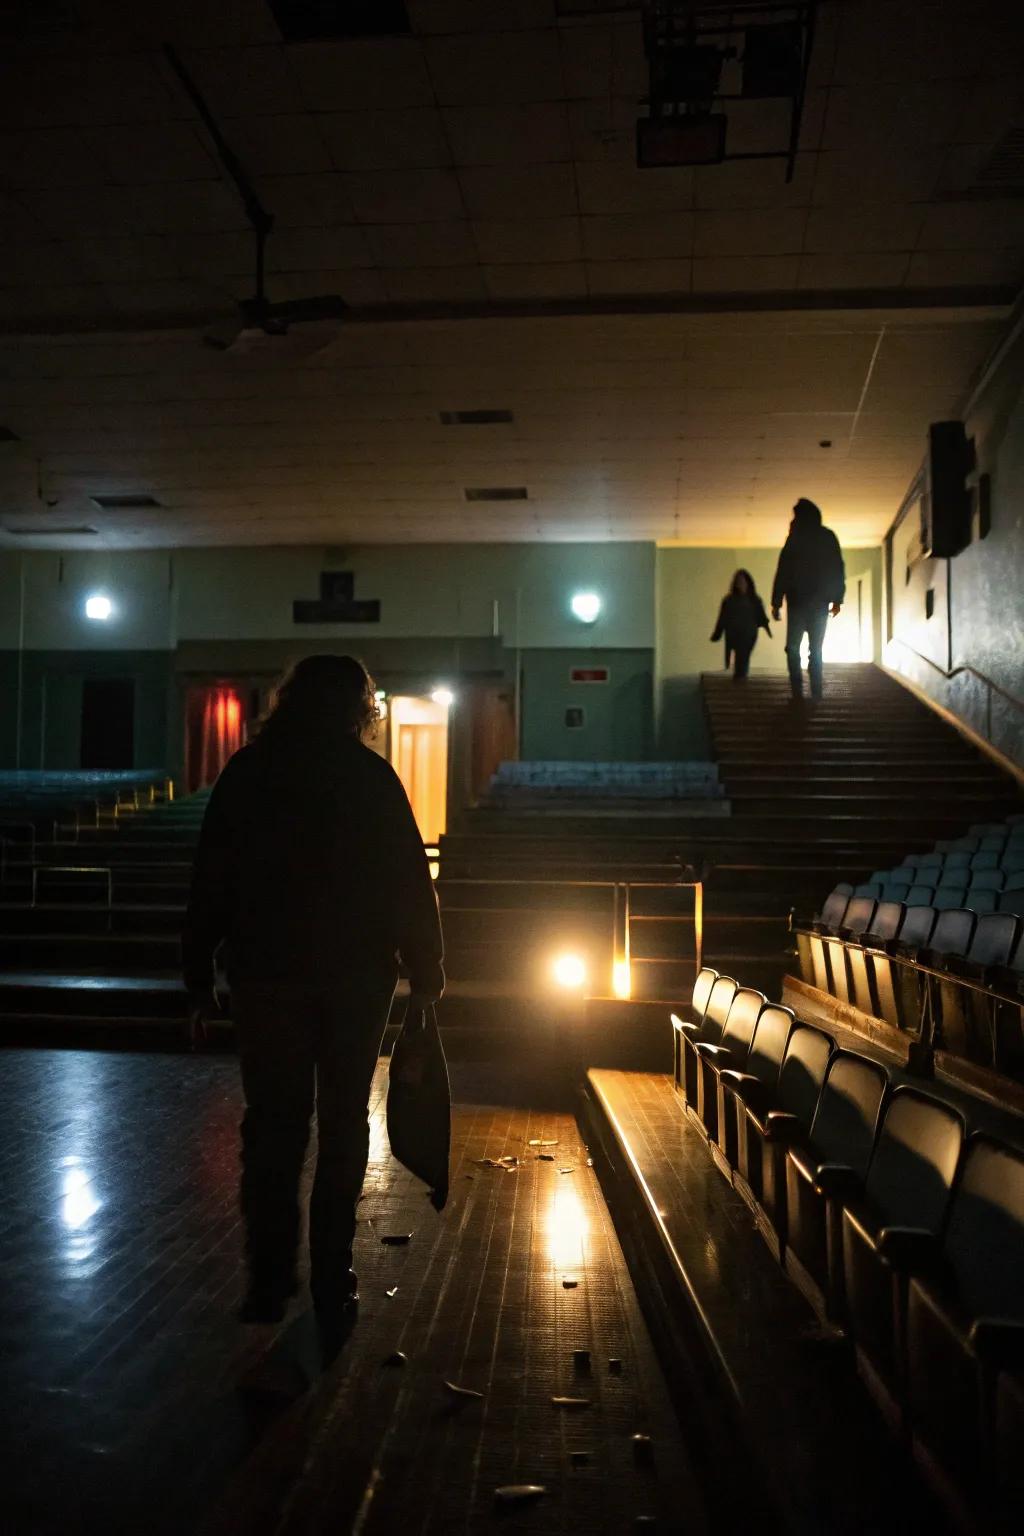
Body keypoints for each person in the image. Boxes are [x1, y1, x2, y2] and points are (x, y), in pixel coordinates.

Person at [182, 655, 443, 1333]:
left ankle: (269, 1282)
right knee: (343, 1122)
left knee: (273, 1124)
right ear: (360, 709)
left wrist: (197, 971)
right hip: (356, 974)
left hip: (267, 971)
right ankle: (334, 1278)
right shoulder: (370, 777)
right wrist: (427, 970)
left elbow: (212, 875)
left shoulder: (249, 772)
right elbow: (408, 881)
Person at [771, 498, 845, 700]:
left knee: (794, 648)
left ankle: (798, 692)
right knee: (815, 650)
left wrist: (777, 602)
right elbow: (837, 569)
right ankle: (816, 692)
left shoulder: (795, 538)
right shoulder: (827, 537)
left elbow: (783, 570)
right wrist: (837, 599)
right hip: (818, 603)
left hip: (797, 603)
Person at [709, 568, 772, 679]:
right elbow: (722, 618)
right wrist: (717, 633)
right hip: (734, 634)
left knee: (743, 656)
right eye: (738, 582)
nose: (740, 584)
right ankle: (740, 677)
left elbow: (761, 616)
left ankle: (740, 677)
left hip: (749, 634)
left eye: (742, 581)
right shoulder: (729, 600)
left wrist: (767, 628)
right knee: (741, 656)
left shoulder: (754, 600)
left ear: (748, 583)